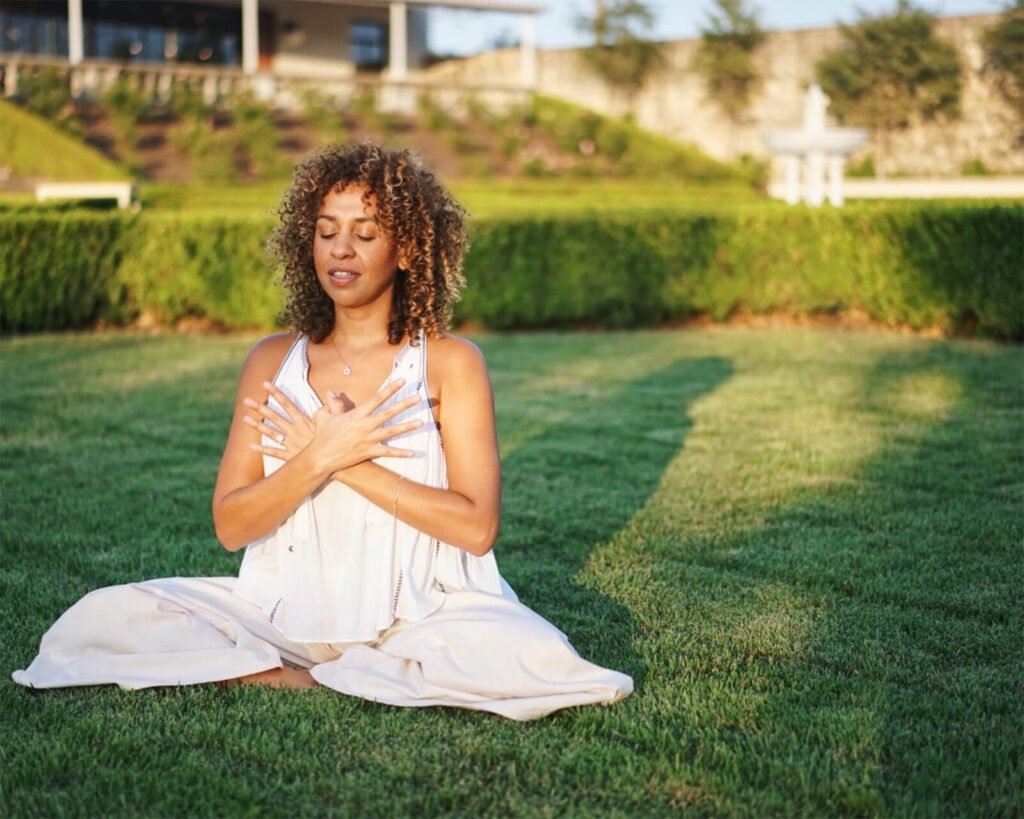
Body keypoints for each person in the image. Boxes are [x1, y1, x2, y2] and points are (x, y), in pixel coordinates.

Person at [12, 141, 633, 720]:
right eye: (326, 232)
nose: (341, 250)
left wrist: (346, 461)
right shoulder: (270, 360)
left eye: (365, 234)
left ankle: (331, 668)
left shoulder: (450, 363)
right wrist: (313, 460)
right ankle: (319, 674)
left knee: (536, 655)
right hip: (281, 615)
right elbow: (232, 526)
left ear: (409, 249)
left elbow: (477, 528)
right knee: (106, 615)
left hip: (422, 613)